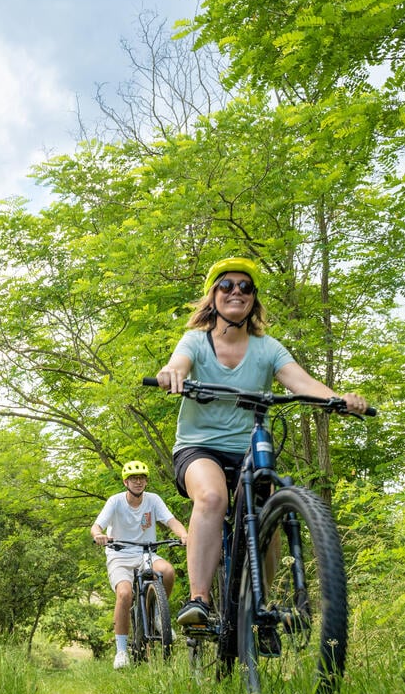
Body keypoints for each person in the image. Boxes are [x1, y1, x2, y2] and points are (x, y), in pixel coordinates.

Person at [153, 256, 369, 628]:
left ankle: (259, 607)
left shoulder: (268, 348)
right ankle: (199, 600)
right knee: (212, 497)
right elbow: (179, 364)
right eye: (226, 285)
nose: (236, 292)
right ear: (212, 297)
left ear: (253, 298)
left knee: (267, 515)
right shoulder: (195, 342)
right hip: (199, 447)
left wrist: (337, 399)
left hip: (249, 450)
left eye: (245, 287)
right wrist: (171, 374)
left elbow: (301, 382)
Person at [90, 460, 189, 670]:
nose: (138, 482)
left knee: (168, 571)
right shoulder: (115, 501)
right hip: (119, 554)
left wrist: (184, 535)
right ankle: (122, 651)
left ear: (146, 481)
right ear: (126, 482)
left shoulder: (153, 500)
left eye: (142, 478)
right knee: (125, 594)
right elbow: (97, 526)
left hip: (146, 552)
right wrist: (98, 535)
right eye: (134, 478)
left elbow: (172, 521)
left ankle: (156, 615)